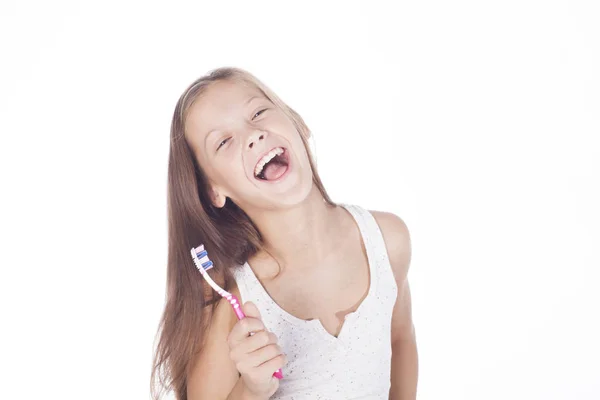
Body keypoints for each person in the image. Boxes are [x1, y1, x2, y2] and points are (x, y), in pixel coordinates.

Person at [151, 67, 418, 400]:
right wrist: (252, 388)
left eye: (258, 112)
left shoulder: (387, 241)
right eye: (223, 141)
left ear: (297, 123)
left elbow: (401, 340)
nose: (253, 134)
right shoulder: (231, 302)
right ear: (213, 190)